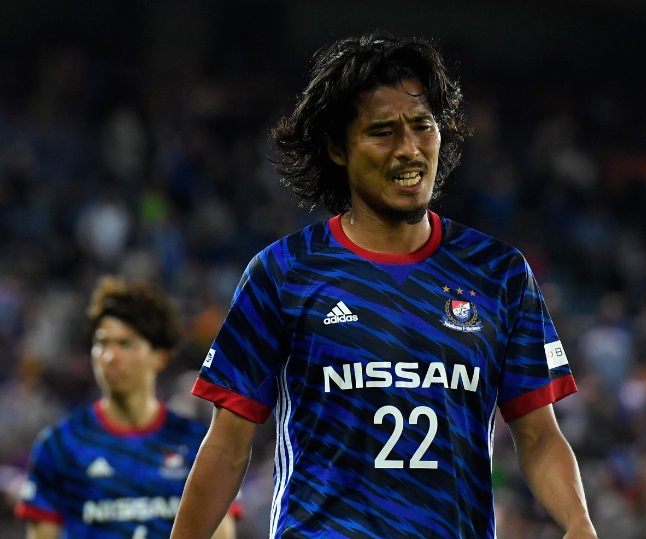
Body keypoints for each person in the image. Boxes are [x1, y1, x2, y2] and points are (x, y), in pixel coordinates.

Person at [171, 31, 598, 539]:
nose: (409, 149)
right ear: (337, 147)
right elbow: (227, 446)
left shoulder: (498, 273)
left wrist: (578, 522)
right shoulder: (283, 272)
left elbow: (539, 436)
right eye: (382, 131)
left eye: (422, 126)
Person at [14, 276, 239, 538]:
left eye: (125, 343)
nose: (110, 357)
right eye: (102, 343)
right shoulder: (60, 446)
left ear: (160, 356)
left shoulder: (197, 446)